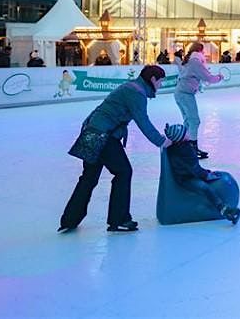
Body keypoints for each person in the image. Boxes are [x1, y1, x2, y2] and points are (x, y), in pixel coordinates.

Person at [59, 65, 172, 232]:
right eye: (160, 81)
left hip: (93, 131)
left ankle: (70, 219)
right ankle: (119, 219)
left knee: (89, 177)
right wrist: (162, 141)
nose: (161, 85)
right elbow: (143, 121)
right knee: (123, 172)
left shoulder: (131, 87)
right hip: (103, 135)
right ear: (153, 79)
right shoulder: (136, 93)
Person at [164, 123, 240, 224]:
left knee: (205, 183)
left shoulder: (179, 147)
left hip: (185, 174)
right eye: (185, 132)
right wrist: (207, 176)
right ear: (181, 138)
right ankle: (224, 210)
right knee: (205, 187)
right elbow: (195, 170)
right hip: (185, 178)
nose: (188, 132)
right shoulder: (184, 150)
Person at [174, 42, 223, 159]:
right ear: (199, 51)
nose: (204, 53)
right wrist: (220, 77)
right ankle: (192, 148)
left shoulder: (191, 60)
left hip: (180, 93)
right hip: (185, 94)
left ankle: (185, 146)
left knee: (188, 121)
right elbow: (208, 77)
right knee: (194, 121)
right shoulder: (195, 62)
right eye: (203, 51)